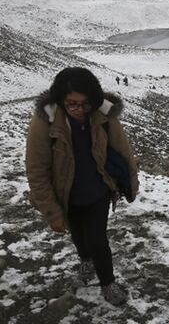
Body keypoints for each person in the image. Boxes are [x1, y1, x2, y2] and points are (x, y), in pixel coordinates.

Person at [25, 67, 140, 305]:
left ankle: (108, 282)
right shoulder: (45, 121)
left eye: (85, 104)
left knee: (98, 239)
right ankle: (85, 261)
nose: (79, 110)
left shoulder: (104, 115)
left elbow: (123, 150)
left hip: (97, 190)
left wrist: (132, 182)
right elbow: (36, 170)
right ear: (60, 100)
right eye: (72, 104)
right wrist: (52, 212)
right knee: (77, 232)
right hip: (66, 194)